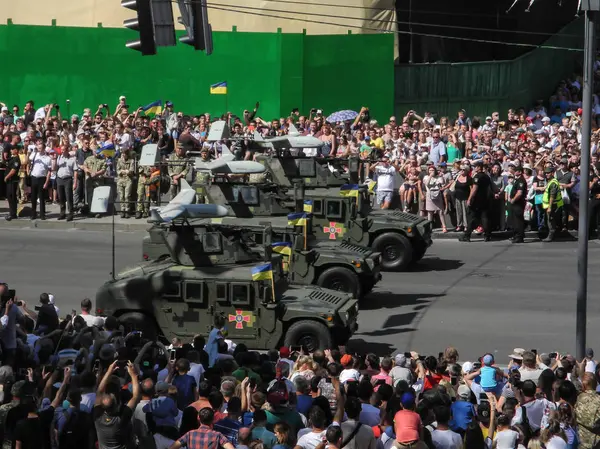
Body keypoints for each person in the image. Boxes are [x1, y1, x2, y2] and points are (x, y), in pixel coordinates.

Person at [168, 407, 235, 449]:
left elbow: (172, 447)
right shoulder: (217, 435)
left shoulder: (190, 434)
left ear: (198, 418)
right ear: (213, 419)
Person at [460, 160, 491, 242]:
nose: (474, 168)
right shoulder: (487, 176)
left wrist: (469, 199)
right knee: (485, 218)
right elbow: (489, 189)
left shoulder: (477, 177)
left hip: (477, 200)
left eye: (475, 167)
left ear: (478, 167)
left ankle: (467, 236)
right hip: (485, 200)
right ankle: (487, 235)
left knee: (471, 218)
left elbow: (474, 189)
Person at [28, 138, 52, 220]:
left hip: (42, 178)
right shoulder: (35, 155)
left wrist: (46, 182)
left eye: (41, 148)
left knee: (41, 198)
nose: (39, 149)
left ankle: (42, 214)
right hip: (34, 177)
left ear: (44, 148)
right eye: (38, 148)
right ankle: (33, 214)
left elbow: (49, 171)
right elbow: (28, 160)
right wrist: (33, 151)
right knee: (33, 197)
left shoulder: (48, 158)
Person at [54, 143, 77, 221]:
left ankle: (71, 213)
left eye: (64, 150)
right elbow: (54, 168)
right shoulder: (59, 157)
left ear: (68, 150)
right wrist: (54, 159)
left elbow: (75, 171)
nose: (62, 151)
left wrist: (75, 182)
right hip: (60, 178)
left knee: (69, 197)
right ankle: (62, 213)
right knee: (61, 197)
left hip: (68, 179)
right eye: (62, 150)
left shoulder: (72, 159)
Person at [542, 166, 564, 242]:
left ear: (552, 173)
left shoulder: (553, 183)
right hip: (551, 205)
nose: (547, 174)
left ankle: (551, 236)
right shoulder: (551, 181)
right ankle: (553, 235)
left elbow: (552, 196)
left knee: (550, 221)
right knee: (551, 220)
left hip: (553, 205)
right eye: (546, 173)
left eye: (548, 173)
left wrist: (550, 207)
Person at [509, 165, 527, 243]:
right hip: (515, 204)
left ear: (519, 172)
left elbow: (519, 193)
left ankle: (519, 237)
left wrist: (513, 199)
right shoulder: (518, 180)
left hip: (518, 204)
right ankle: (516, 235)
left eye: (516, 171)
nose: (514, 172)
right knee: (515, 220)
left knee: (518, 221)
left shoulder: (521, 181)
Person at [116, 148, 135, 218]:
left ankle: (127, 210)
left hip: (128, 180)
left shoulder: (131, 161)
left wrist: (125, 171)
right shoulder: (119, 160)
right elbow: (118, 170)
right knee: (121, 196)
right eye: (123, 153)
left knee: (127, 196)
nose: (124, 155)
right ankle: (122, 210)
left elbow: (131, 171)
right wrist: (124, 171)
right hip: (120, 179)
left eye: (125, 154)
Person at [4, 145, 20, 221]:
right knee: (9, 197)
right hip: (9, 181)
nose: (11, 151)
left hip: (13, 180)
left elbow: (13, 170)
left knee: (12, 196)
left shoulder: (16, 159)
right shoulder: (11, 158)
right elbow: (5, 160)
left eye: (12, 149)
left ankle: (13, 214)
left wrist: (7, 177)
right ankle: (11, 212)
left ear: (16, 150)